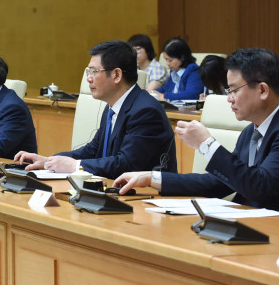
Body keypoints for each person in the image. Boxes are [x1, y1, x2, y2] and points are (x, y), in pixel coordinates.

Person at [114, 48, 279, 211]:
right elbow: (222, 183)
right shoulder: (250, 132)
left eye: (234, 90)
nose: (229, 98)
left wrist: (207, 144)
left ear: (262, 90)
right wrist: (151, 178)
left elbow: (262, 188)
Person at [14, 40, 177, 178]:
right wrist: (48, 161)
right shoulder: (112, 106)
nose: (88, 78)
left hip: (145, 201)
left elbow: (126, 164)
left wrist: (74, 165)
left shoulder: (145, 111)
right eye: (88, 71)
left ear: (116, 75)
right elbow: (93, 150)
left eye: (93, 71)